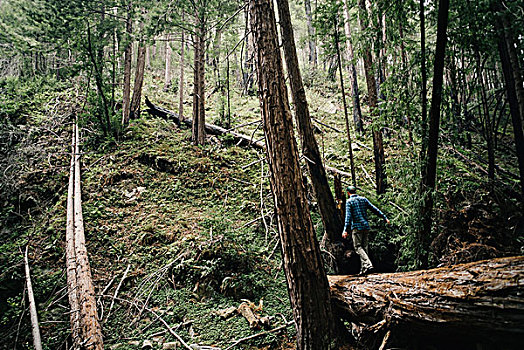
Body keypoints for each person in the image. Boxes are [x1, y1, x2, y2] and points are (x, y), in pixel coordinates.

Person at [342, 186, 390, 275]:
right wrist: (384, 217)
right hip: (365, 227)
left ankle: (368, 265)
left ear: (348, 193)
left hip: (357, 228)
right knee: (364, 248)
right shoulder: (363, 199)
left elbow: (348, 217)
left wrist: (345, 230)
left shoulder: (349, 202)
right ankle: (364, 270)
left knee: (358, 248)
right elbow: (374, 209)